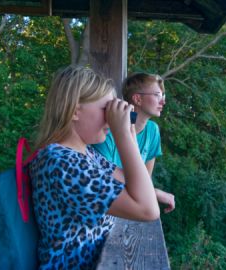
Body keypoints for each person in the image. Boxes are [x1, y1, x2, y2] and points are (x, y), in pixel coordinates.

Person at [29, 66, 159, 269]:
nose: (111, 118)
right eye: (106, 109)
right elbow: (147, 209)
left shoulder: (86, 154)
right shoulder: (60, 163)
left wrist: (130, 134)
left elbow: (130, 182)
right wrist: (121, 134)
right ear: (74, 111)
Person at [93, 72, 175, 213]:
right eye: (157, 95)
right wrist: (155, 192)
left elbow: (144, 180)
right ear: (137, 99)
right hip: (106, 207)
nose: (163, 101)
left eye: (163, 96)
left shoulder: (152, 130)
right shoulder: (106, 130)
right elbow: (104, 180)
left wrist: (147, 190)